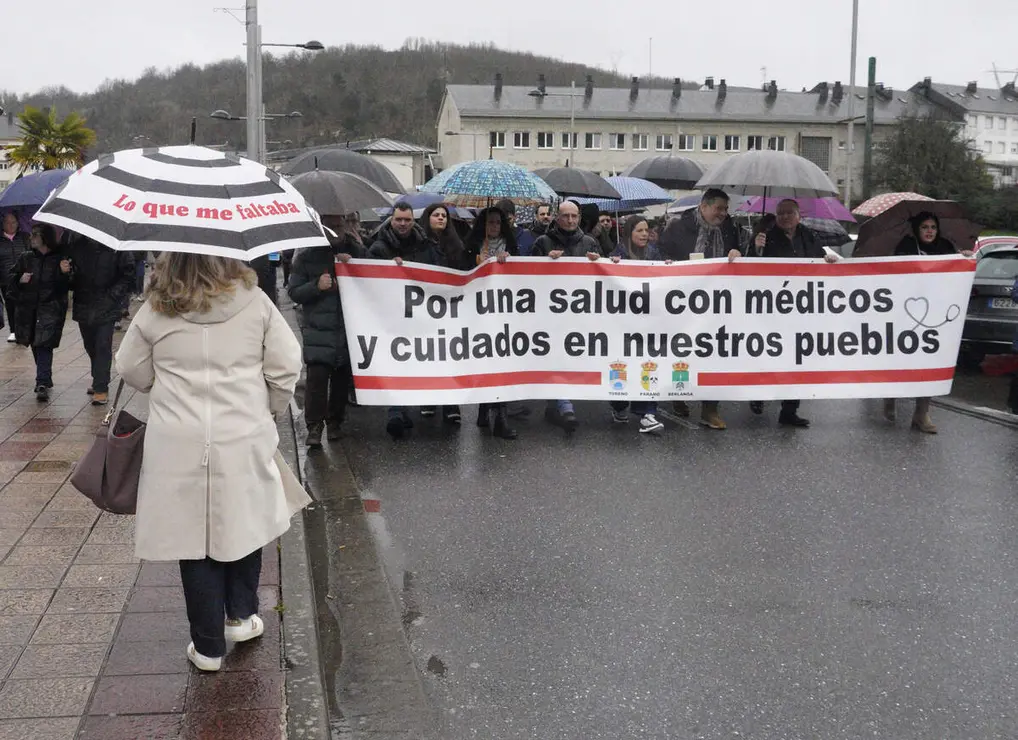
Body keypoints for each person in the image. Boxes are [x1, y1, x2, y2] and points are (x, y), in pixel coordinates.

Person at [115, 252, 307, 672]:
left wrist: (160, 384)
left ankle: (206, 648)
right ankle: (241, 615)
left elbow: (130, 367)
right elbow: (286, 364)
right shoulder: (254, 301)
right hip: (242, 432)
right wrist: (269, 406)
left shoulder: (156, 308)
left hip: (177, 439)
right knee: (246, 517)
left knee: (192, 536)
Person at [657, 189, 743, 429]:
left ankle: (710, 409)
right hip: (682, 301)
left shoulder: (730, 228)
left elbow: (737, 254)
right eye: (720, 209)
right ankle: (679, 394)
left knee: (713, 353)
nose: (724, 214)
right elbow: (661, 252)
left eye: (726, 209)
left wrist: (737, 253)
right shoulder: (677, 226)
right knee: (681, 351)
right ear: (704, 206)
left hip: (716, 303)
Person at [748, 199, 836, 428]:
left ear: (799, 215)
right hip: (771, 307)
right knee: (768, 354)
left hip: (801, 308)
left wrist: (828, 261)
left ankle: (789, 409)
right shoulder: (765, 235)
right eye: (780, 213)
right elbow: (748, 267)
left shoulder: (808, 236)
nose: (784, 217)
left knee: (797, 359)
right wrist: (756, 248)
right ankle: (758, 395)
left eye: (789, 213)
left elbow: (818, 261)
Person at [886, 211, 972, 434]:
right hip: (905, 314)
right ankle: (890, 395)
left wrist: (963, 258)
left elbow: (955, 275)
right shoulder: (905, 246)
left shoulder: (945, 247)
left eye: (933, 227)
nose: (930, 231)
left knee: (929, 363)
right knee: (902, 361)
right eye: (925, 227)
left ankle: (921, 413)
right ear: (916, 229)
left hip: (935, 317)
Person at [289, 215, 364, 448]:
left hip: (346, 328)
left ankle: (335, 423)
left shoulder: (356, 250)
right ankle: (314, 427)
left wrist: (353, 263)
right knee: (317, 381)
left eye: (339, 226)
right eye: (329, 227)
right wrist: (316, 286)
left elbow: (375, 274)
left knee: (341, 382)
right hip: (319, 331)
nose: (335, 231)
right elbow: (294, 292)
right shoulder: (306, 257)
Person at [369, 202, 441, 439]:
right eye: (399, 220)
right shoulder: (379, 248)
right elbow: (368, 278)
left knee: (416, 361)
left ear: (413, 221)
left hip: (421, 314)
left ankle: (407, 408)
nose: (403, 224)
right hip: (392, 317)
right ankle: (396, 412)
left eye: (407, 220)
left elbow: (437, 273)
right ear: (392, 220)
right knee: (396, 362)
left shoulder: (425, 246)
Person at [532, 200, 603, 432]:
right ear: (556, 217)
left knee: (570, 356)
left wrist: (601, 262)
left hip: (580, 313)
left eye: (574, 216)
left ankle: (558, 404)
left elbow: (606, 276)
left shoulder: (590, 242)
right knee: (556, 356)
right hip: (551, 313)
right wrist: (544, 262)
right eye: (565, 216)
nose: (570, 220)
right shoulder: (543, 242)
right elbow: (525, 276)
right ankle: (564, 404)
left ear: (579, 217)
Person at [464, 207, 517, 438]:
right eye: (489, 223)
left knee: (502, 362)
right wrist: (477, 261)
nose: (493, 227)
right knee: (484, 360)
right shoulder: (472, 243)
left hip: (505, 312)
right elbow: (460, 270)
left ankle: (501, 417)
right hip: (479, 311)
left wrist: (509, 260)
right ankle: (484, 407)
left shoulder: (510, 244)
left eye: (497, 222)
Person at [608, 216, 665, 434]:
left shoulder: (654, 253)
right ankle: (619, 404)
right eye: (639, 230)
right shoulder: (619, 253)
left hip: (648, 321)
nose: (644, 234)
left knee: (648, 362)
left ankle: (647, 413)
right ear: (629, 233)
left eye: (646, 230)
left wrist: (667, 268)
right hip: (624, 322)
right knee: (623, 363)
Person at [65, 235, 136, 406]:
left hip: (107, 303)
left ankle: (101, 388)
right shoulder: (76, 244)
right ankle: (98, 377)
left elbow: (128, 274)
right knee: (90, 344)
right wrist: (67, 273)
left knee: (102, 344)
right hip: (84, 302)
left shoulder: (117, 245)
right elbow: (71, 277)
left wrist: (113, 296)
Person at [8, 224, 71, 402]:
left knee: (44, 344)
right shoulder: (26, 258)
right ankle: (45, 376)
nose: (32, 238)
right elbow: (11, 283)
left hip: (50, 308)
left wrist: (64, 273)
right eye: (31, 235)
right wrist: (20, 280)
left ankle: (41, 382)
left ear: (46, 238)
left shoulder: (59, 259)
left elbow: (65, 287)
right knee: (36, 344)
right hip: (29, 309)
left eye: (36, 235)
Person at [418, 203, 466, 425]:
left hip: (450, 306)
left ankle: (450, 402)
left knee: (450, 355)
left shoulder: (455, 244)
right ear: (428, 218)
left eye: (444, 216)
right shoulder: (419, 244)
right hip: (425, 306)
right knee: (428, 354)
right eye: (436, 215)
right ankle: (428, 398)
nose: (440, 218)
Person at [0, 212, 30, 343]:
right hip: (6, 279)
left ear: (18, 223)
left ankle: (25, 329)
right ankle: (14, 331)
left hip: (24, 277)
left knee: (25, 304)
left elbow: (32, 254)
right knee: (11, 305)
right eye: (7, 222)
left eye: (13, 222)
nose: (10, 225)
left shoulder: (25, 237)